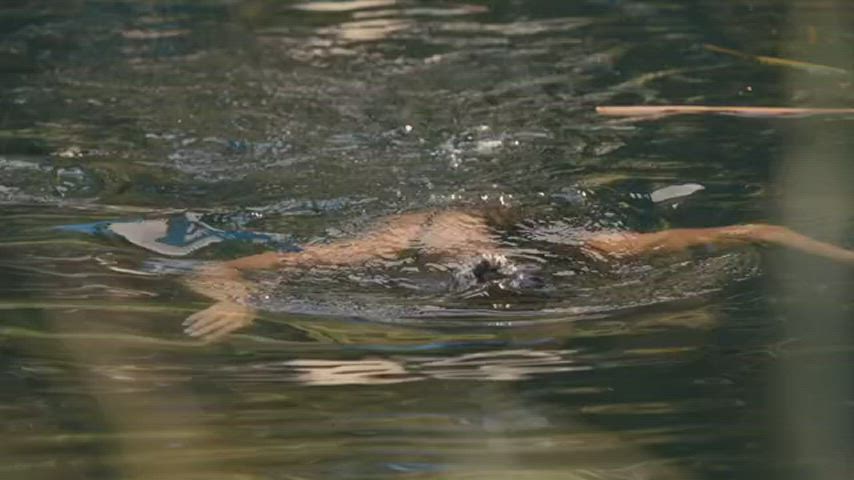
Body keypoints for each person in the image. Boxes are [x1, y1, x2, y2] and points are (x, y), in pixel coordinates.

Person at [182, 208, 854, 341]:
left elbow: (758, 230)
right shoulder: (384, 247)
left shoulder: (594, 248)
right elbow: (220, 262)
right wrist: (242, 302)